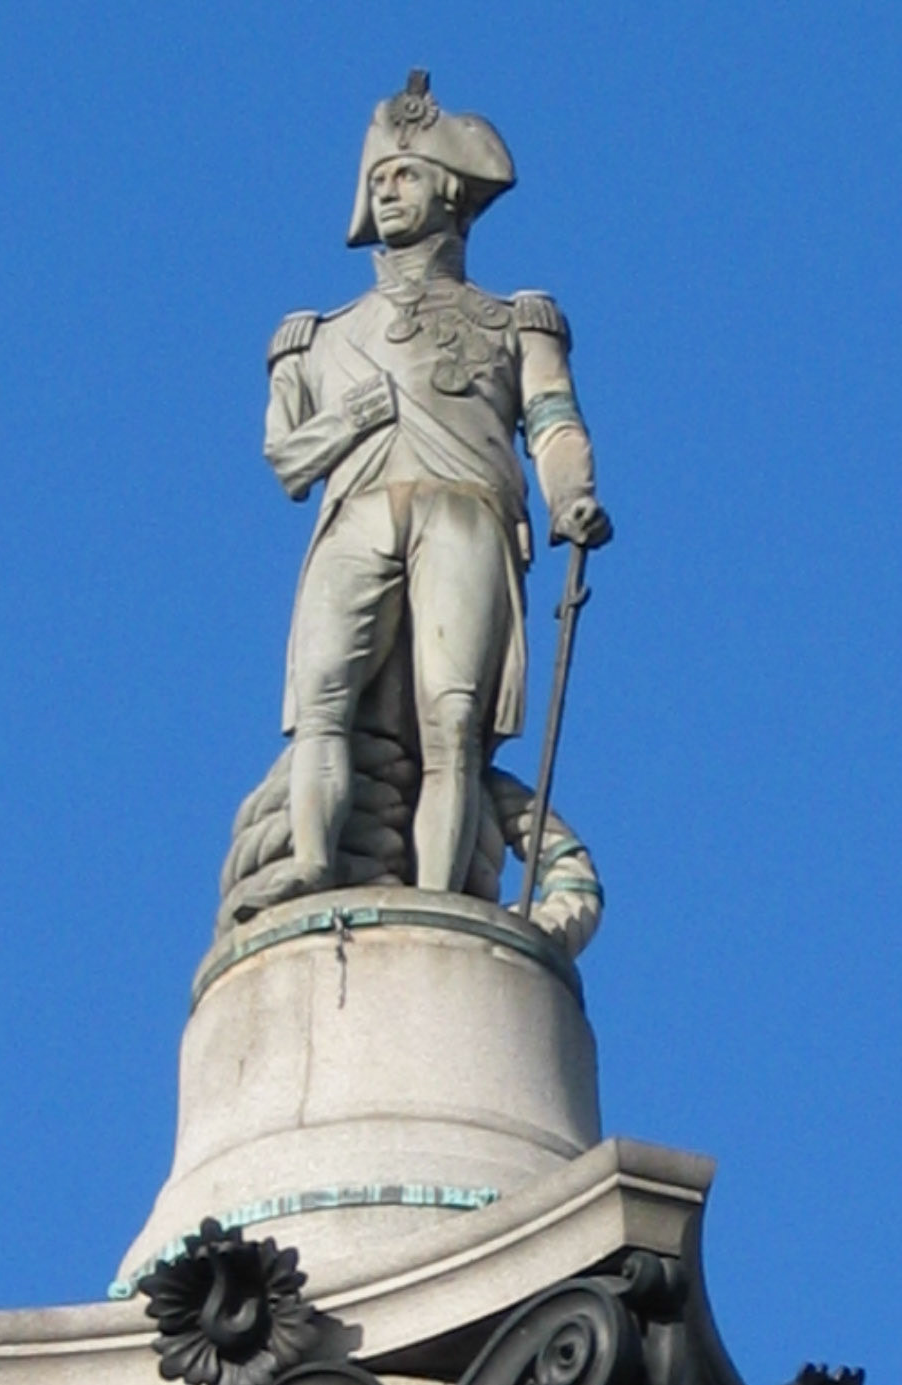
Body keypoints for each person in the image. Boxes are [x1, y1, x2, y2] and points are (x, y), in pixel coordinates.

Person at [264, 70, 612, 898]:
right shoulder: (316, 338)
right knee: (325, 705)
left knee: (450, 720)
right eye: (378, 179)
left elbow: (555, 422)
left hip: (467, 514)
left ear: (451, 191)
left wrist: (572, 496)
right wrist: (352, 418)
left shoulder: (515, 322)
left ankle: (437, 893)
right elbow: (286, 459)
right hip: (355, 516)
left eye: (406, 175)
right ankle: (313, 863)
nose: (387, 193)